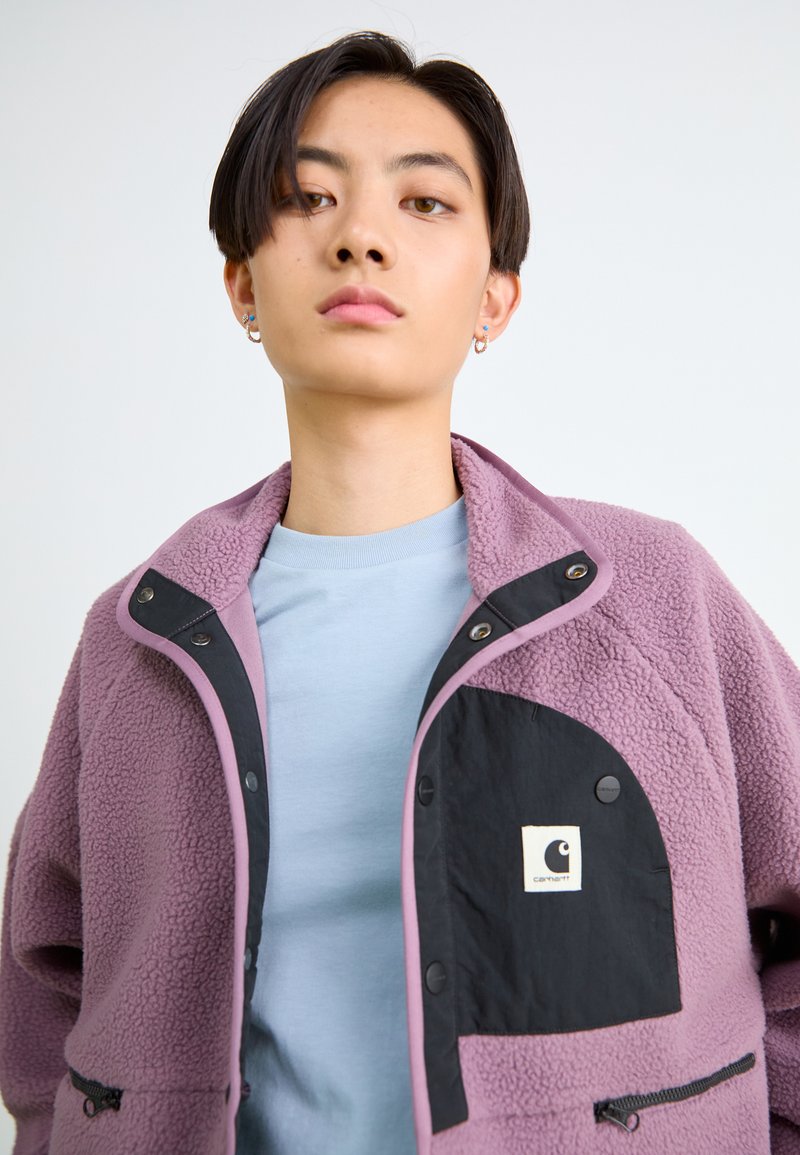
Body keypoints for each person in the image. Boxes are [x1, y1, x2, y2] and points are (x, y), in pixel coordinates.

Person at [1, 28, 798, 1155]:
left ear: (495, 298)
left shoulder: (654, 599)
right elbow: (48, 999)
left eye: (423, 203)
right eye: (308, 198)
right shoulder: (139, 638)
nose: (360, 238)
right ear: (243, 283)